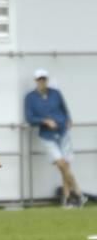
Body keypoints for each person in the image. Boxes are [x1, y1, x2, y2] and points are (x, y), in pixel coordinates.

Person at [25, 68, 86, 208]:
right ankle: (78, 192)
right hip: (47, 135)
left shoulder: (56, 93)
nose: (42, 82)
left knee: (65, 165)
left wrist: (68, 119)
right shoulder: (30, 97)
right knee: (61, 164)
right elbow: (30, 118)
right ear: (36, 81)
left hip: (63, 132)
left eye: (44, 79)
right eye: (39, 79)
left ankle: (68, 199)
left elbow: (64, 109)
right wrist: (45, 121)